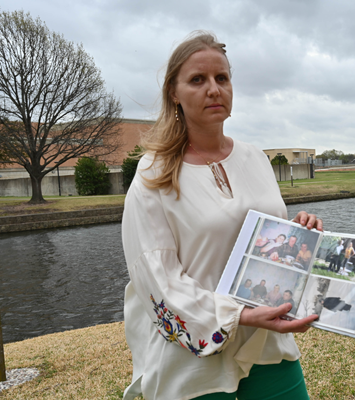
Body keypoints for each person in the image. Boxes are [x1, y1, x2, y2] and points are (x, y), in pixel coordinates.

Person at [121, 31, 323, 400]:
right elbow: (156, 281)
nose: (213, 89)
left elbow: (259, 241)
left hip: (267, 346)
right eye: (197, 80)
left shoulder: (255, 159)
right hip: (195, 364)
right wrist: (238, 316)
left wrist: (296, 233)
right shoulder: (154, 174)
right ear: (174, 93)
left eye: (222, 78)